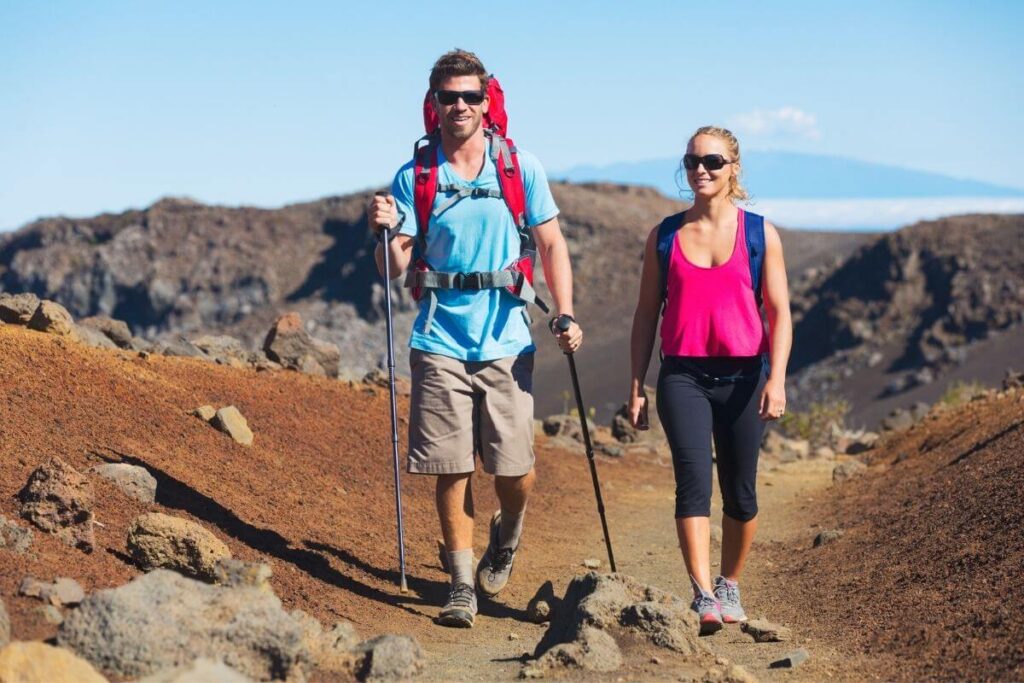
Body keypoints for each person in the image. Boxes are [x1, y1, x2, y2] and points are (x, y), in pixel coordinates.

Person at [367, 49, 582, 628]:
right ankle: (462, 586)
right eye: (448, 97)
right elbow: (396, 266)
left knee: (515, 471)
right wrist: (386, 231)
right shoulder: (416, 175)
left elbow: (552, 243)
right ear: (432, 105)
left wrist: (564, 311)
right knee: (450, 466)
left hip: (507, 337)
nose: (459, 106)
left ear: (488, 103)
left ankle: (507, 528)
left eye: (469, 97)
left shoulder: (518, 166)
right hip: (438, 336)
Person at [626, 126, 792, 635]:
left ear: (733, 168)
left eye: (713, 161)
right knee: (693, 483)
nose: (701, 169)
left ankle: (729, 584)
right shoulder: (666, 236)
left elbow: (780, 314)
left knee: (740, 492)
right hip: (684, 376)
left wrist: (777, 379)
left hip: (745, 376)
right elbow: (645, 315)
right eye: (693, 160)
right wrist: (636, 386)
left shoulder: (761, 234)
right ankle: (702, 594)